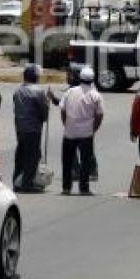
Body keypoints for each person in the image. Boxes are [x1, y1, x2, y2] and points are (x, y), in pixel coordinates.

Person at [59, 66, 104, 195]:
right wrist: (94, 128)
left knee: (67, 161)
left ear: (80, 78)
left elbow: (62, 110)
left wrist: (66, 124)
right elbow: (100, 115)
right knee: (85, 161)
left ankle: (66, 188)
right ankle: (84, 188)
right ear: (92, 79)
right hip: (86, 133)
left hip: (70, 132)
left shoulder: (70, 92)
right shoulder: (96, 95)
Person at [12, 64, 50, 193]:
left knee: (21, 155)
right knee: (32, 157)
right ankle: (27, 184)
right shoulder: (39, 91)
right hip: (33, 128)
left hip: (20, 128)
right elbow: (44, 113)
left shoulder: (18, 91)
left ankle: (17, 181)